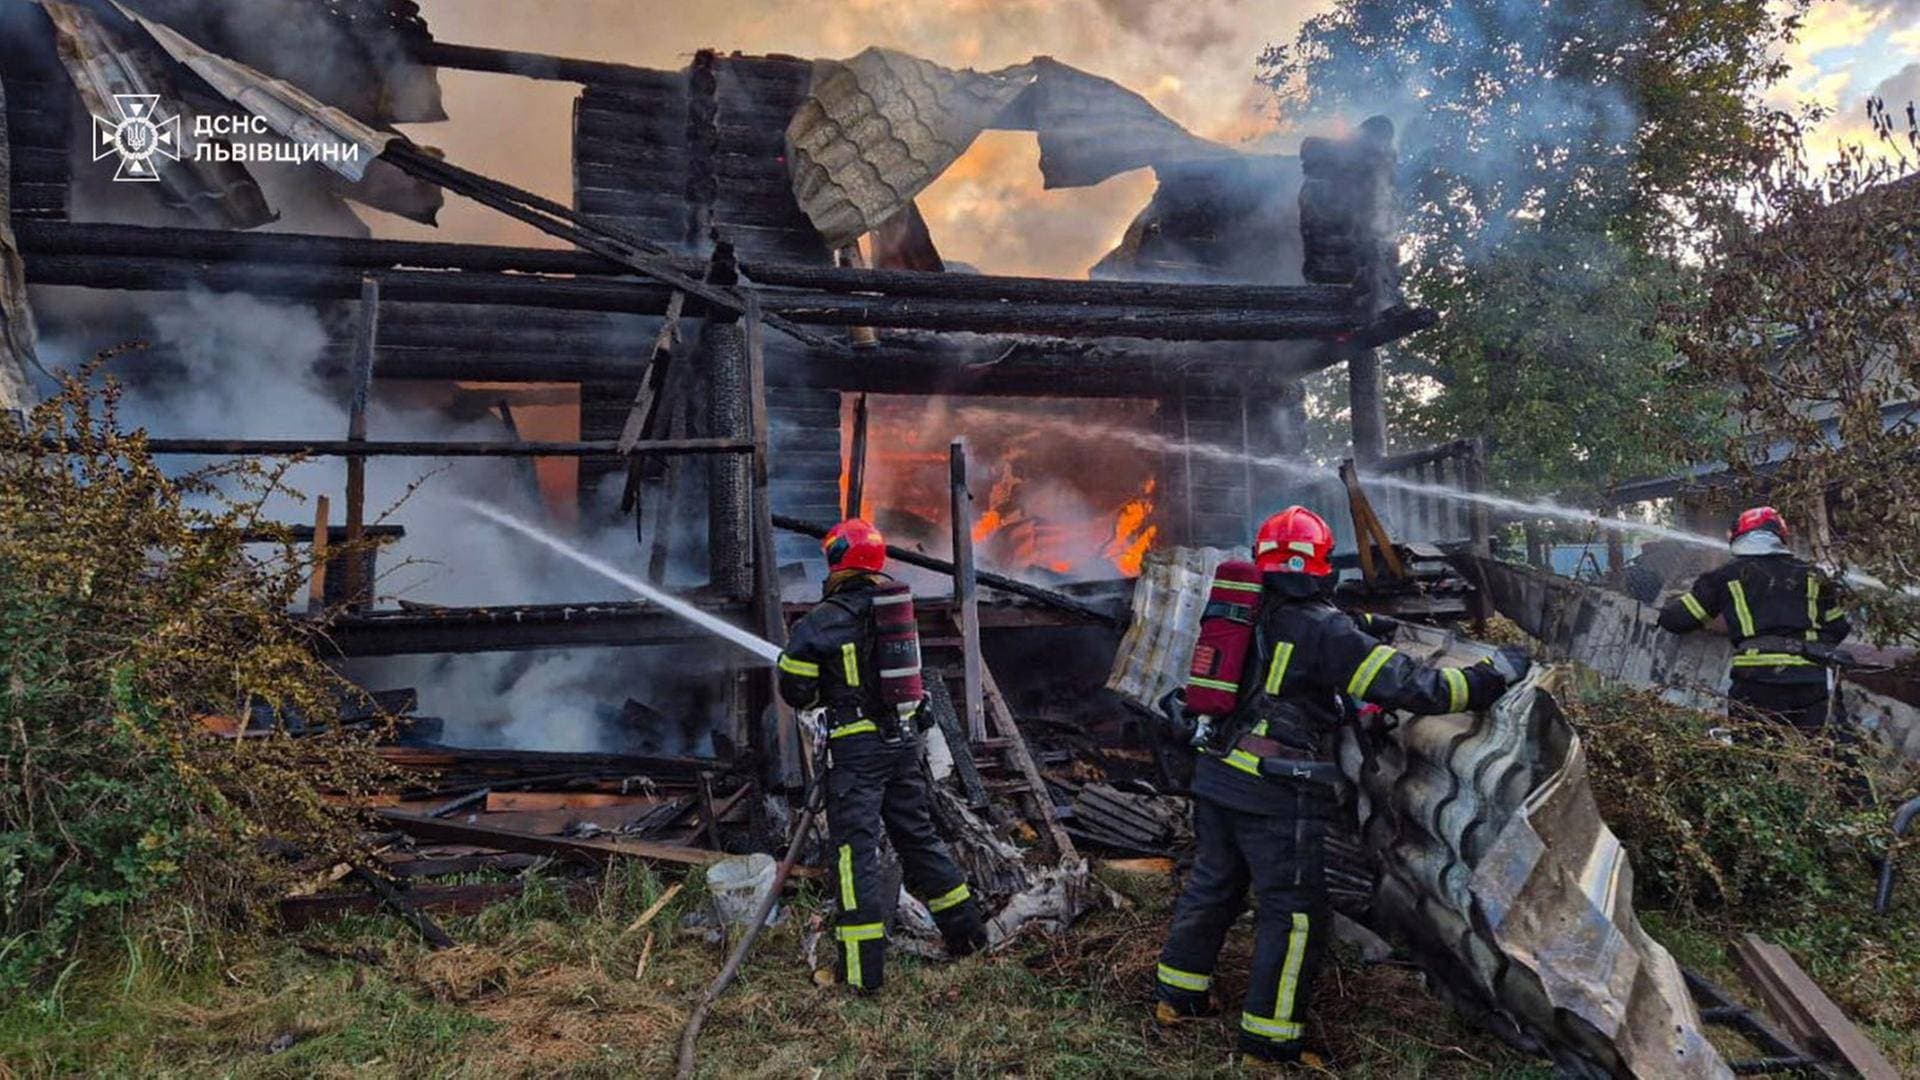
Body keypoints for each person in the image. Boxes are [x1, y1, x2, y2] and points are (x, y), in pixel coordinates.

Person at [1154, 506, 1531, 1065]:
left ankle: (1177, 999)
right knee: (1295, 915)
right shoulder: (1323, 629)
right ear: (1321, 564)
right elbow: (1416, 687)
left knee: (1213, 886)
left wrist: (1363, 628)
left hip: (1217, 775)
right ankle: (1269, 1043)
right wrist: (1492, 675)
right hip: (1276, 792)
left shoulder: (1246, 605)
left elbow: (1305, 643)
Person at [776, 518, 988, 992]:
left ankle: (860, 971)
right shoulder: (895, 608)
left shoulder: (820, 622)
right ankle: (969, 937)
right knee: (918, 837)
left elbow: (797, 692)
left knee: (854, 855)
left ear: (838, 560)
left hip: (858, 753)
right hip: (903, 743)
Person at [1656, 507, 1852, 732]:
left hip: (1759, 681)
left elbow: (1678, 620)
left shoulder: (1725, 576)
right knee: (1825, 748)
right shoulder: (1813, 575)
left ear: (1738, 536)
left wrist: (1668, 605)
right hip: (1814, 679)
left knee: (1758, 748)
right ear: (1780, 537)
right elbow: (1839, 627)